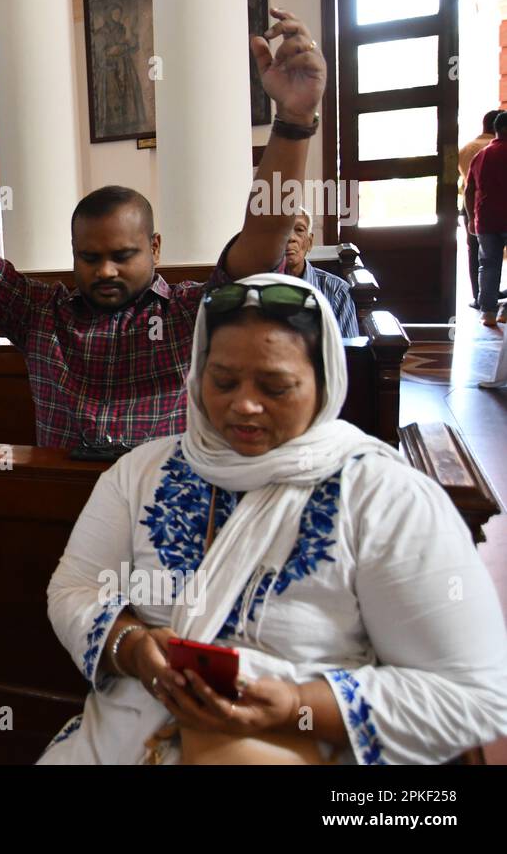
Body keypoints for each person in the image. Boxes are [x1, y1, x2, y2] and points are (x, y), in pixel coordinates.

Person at [39, 273, 507, 764]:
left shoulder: (384, 497)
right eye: (222, 381)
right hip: (131, 731)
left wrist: (297, 705)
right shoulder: (140, 473)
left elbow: (473, 693)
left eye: (276, 386)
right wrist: (132, 648)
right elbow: (75, 590)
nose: (243, 404)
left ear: (325, 382)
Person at [0, 8, 327, 448]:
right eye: (89, 257)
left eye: (123, 256)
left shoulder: (192, 315)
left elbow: (264, 240)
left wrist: (295, 120)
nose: (105, 270)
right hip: (68, 510)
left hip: (160, 513)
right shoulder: (41, 317)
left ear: (155, 248)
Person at [282, 210, 358, 338]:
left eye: (299, 230)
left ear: (310, 242)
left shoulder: (338, 291)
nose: (291, 238)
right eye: (283, 230)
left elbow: (348, 352)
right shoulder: (258, 287)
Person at [465, 110, 507, 327]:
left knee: (488, 265)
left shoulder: (480, 155)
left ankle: (488, 312)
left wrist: (472, 218)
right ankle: (505, 310)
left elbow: (469, 189)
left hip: (486, 219)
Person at [459, 109, 500, 307]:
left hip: (473, 208)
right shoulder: (493, 149)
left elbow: (466, 185)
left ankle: (480, 297)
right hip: (497, 205)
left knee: (479, 256)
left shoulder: (468, 148)